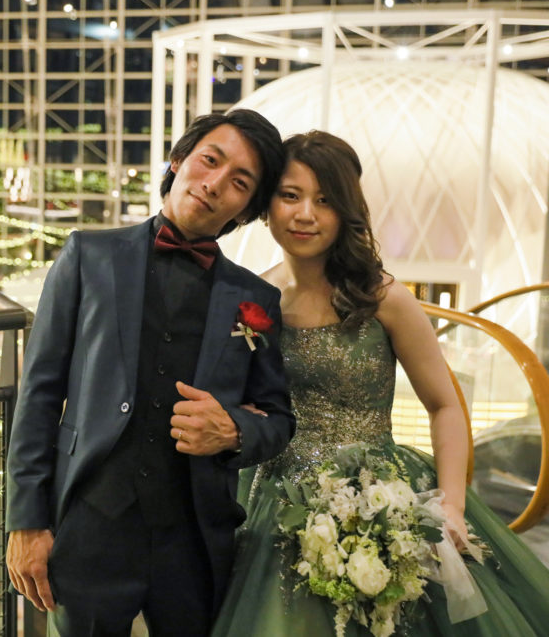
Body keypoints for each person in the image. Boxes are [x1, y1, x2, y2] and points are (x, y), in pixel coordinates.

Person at [212, 130, 549, 635]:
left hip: (380, 494)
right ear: (267, 205)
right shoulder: (254, 299)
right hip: (273, 498)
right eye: (290, 195)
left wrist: (452, 506)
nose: (305, 214)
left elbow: (444, 405)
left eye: (324, 200)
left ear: (346, 210)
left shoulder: (383, 297)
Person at [6, 110, 297, 635]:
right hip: (89, 527)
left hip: (194, 540)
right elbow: (39, 395)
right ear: (179, 160)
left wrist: (233, 430)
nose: (214, 184)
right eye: (209, 160)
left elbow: (279, 419)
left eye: (239, 183)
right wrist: (26, 521)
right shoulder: (88, 256)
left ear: (248, 208)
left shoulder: (255, 298)